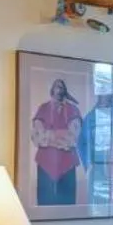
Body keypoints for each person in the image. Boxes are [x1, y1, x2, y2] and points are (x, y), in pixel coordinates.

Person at [30, 77, 84, 206]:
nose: (59, 90)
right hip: (45, 161)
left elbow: (73, 138)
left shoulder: (73, 110)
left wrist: (50, 136)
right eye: (56, 86)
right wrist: (59, 135)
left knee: (67, 202)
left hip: (67, 162)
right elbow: (37, 136)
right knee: (45, 200)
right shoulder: (43, 108)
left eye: (61, 87)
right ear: (52, 90)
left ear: (65, 90)